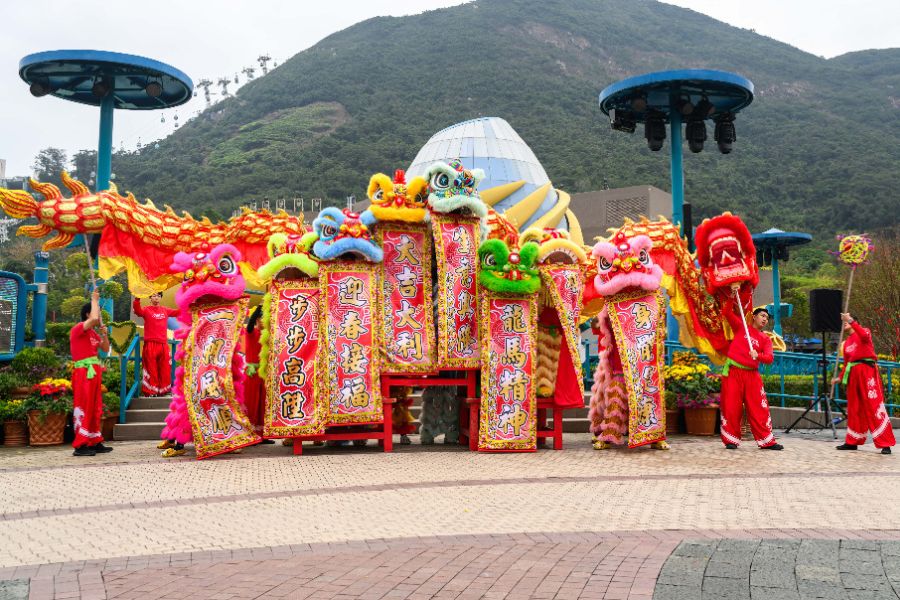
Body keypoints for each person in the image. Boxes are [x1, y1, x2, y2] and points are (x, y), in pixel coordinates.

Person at [719, 305, 783, 450]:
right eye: (762, 316)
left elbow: (769, 358)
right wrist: (733, 293)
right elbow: (727, 312)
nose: (765, 319)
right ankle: (730, 440)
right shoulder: (742, 327)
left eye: (767, 318)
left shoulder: (765, 339)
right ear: (754, 316)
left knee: (759, 407)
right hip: (733, 372)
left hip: (752, 375)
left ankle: (767, 441)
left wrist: (758, 355)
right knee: (731, 406)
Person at [833, 312, 895, 454]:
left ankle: (885, 443)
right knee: (854, 408)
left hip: (867, 372)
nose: (845, 323)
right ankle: (852, 441)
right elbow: (847, 362)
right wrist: (840, 377)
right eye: (845, 322)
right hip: (853, 375)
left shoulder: (864, 332)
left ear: (855, 321)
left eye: (848, 321)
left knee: (874, 405)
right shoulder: (847, 343)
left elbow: (865, 336)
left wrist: (851, 320)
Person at [70, 288, 112, 457]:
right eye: (94, 311)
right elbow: (95, 317)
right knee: (84, 405)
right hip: (83, 373)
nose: (98, 315)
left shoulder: (93, 333)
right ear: (88, 314)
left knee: (95, 406)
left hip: (94, 372)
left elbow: (105, 348)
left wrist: (105, 336)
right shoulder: (78, 329)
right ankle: (80, 445)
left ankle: (94, 440)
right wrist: (94, 299)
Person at [132, 292, 179, 397]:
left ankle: (163, 391)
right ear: (150, 298)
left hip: (163, 344)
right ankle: (151, 391)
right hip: (150, 344)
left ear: (161, 297)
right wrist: (137, 298)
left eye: (158, 296)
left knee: (165, 368)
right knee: (151, 368)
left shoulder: (165, 310)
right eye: (153, 295)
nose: (156, 297)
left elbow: (178, 312)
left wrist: (188, 302)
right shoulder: (146, 310)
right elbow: (137, 311)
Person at [244, 306, 274, 444]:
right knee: (252, 404)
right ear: (257, 319)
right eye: (262, 318)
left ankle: (262, 435)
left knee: (263, 405)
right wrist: (261, 308)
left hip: (264, 373)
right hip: (252, 373)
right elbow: (250, 323)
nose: (265, 321)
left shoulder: (268, 335)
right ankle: (249, 435)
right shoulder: (250, 332)